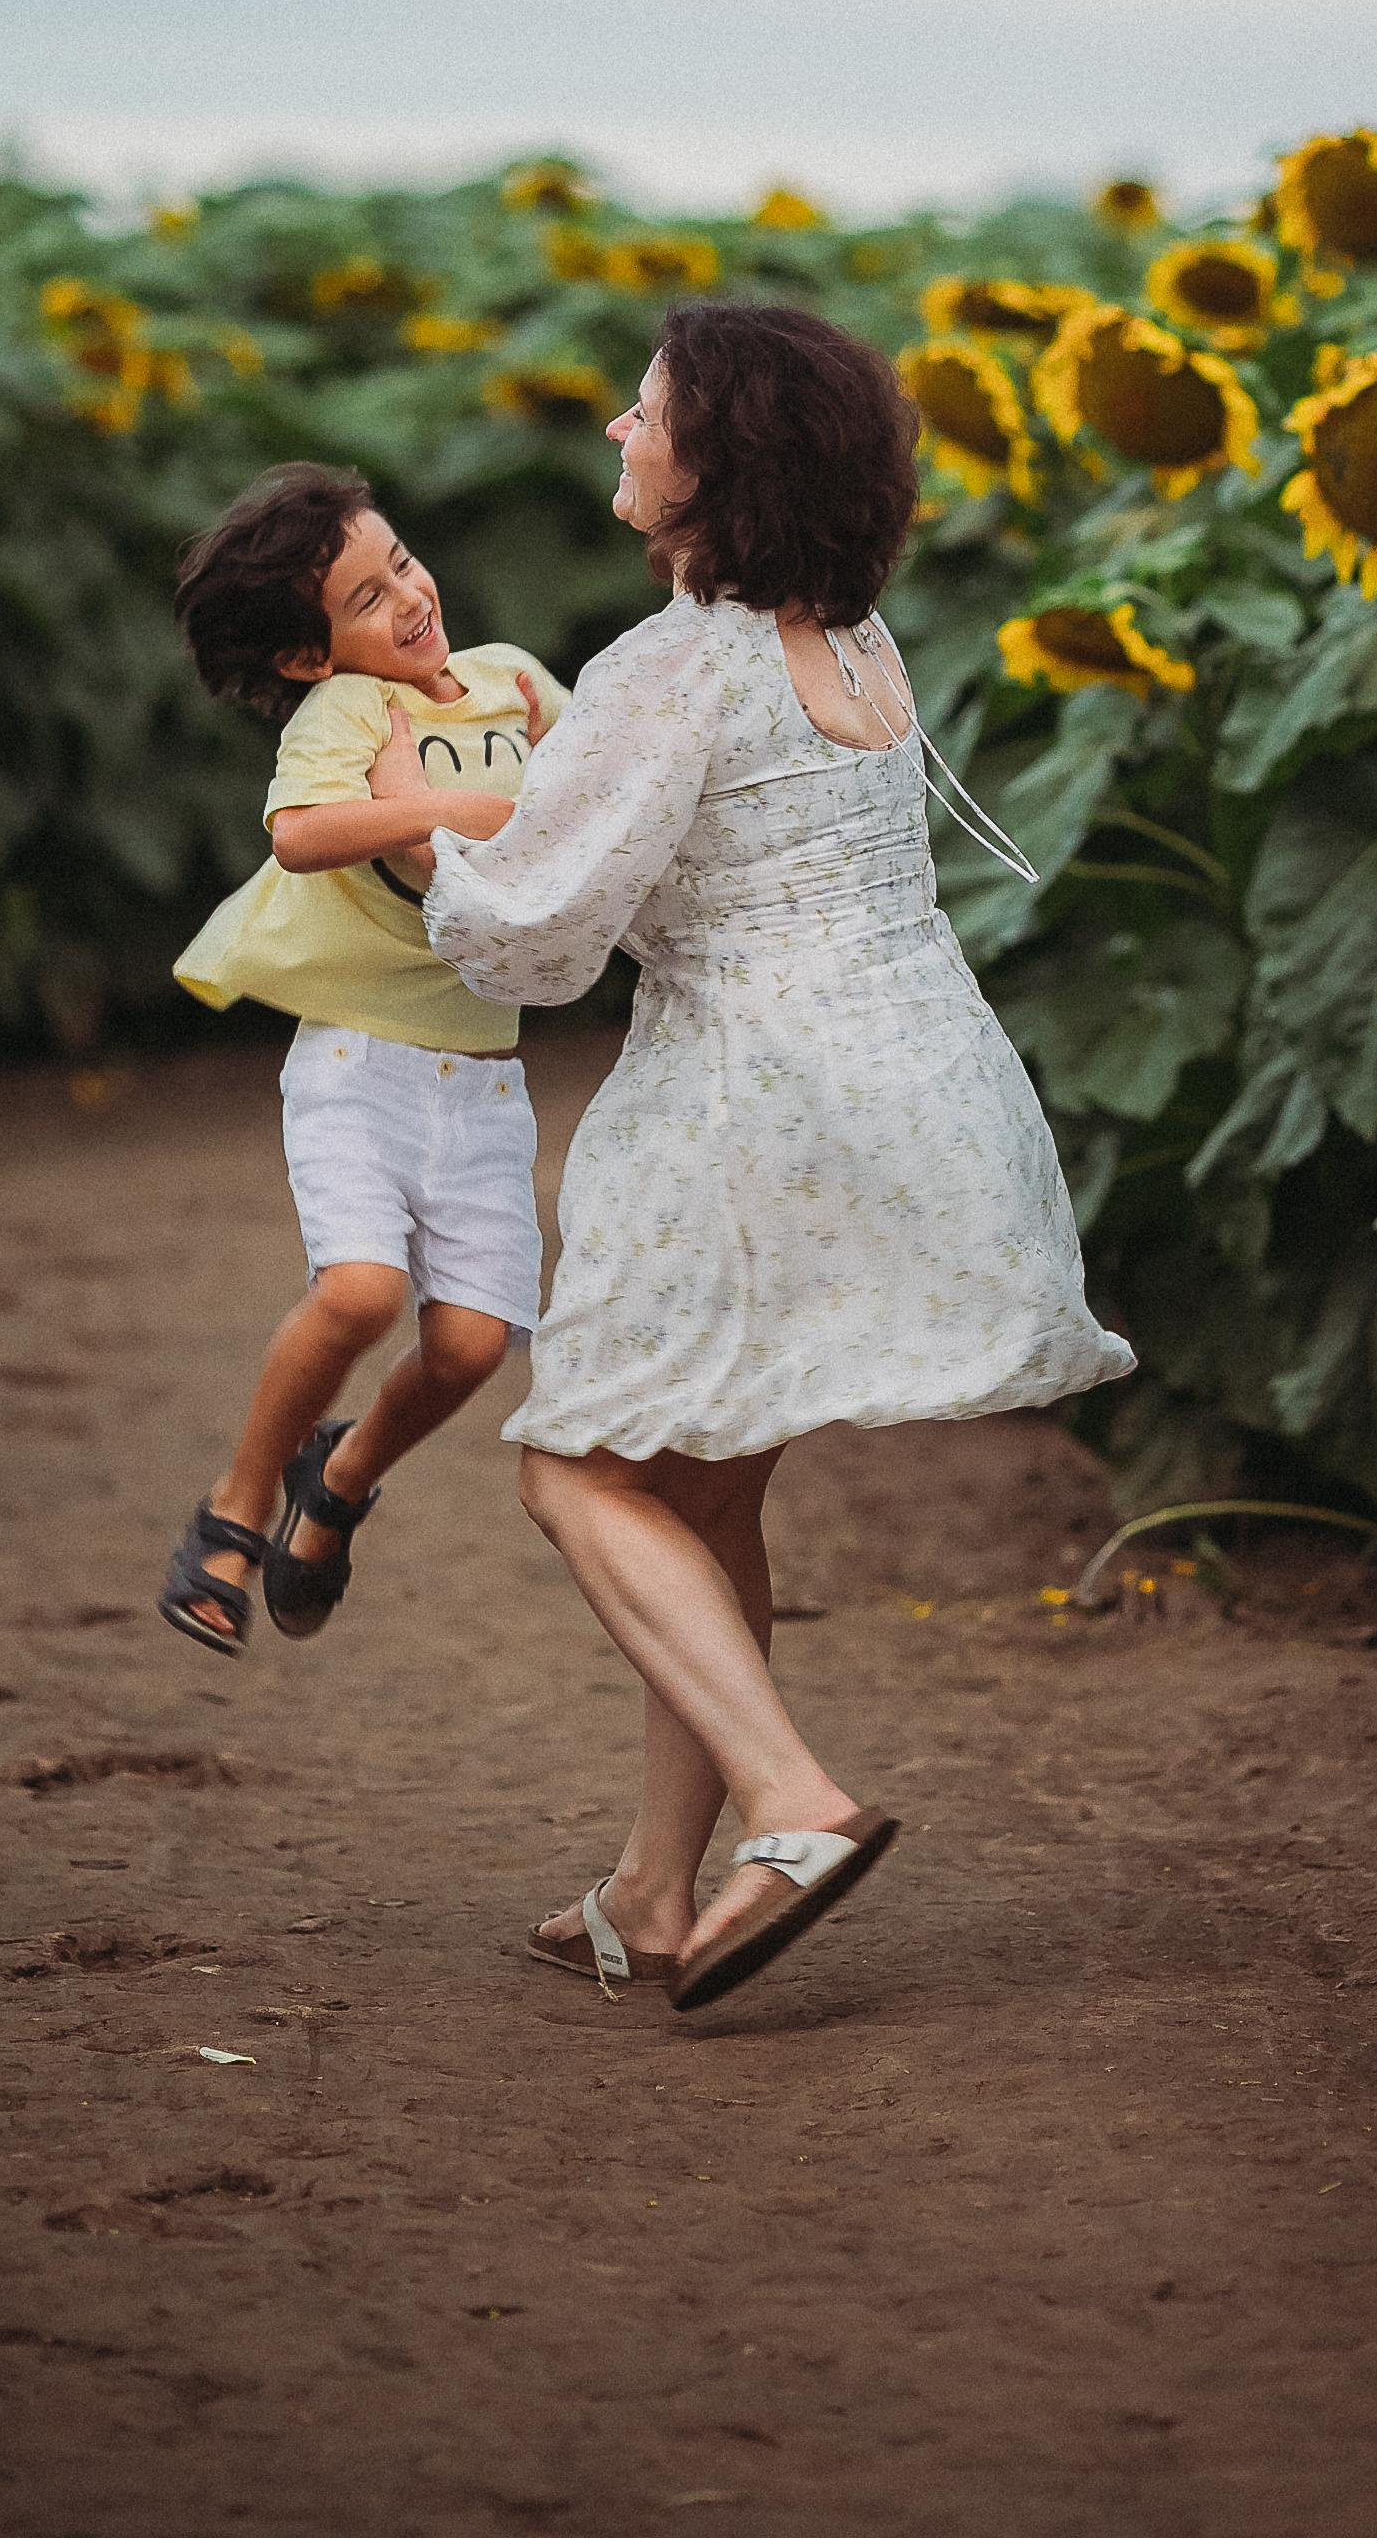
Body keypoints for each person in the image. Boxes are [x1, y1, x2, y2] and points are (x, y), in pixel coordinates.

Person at [372, 305, 1134, 2011]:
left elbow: (545, 935)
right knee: (706, 1486)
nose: (617, 439)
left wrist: (423, 833)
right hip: (919, 1090)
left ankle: (793, 1810)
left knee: (572, 1473)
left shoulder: (673, 663)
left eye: (641, 415)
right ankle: (650, 1889)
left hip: (745, 1109)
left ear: (717, 460)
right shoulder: (860, 642)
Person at [155, 462, 561, 1656]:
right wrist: (443, 815)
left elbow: (600, 790)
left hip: (483, 1072)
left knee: (474, 1345)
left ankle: (335, 1482)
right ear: (304, 659)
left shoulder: (515, 684)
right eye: (365, 601)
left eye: (402, 565)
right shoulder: (346, 713)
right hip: (358, 1067)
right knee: (361, 1292)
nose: (408, 600)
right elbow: (298, 836)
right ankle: (232, 1506)